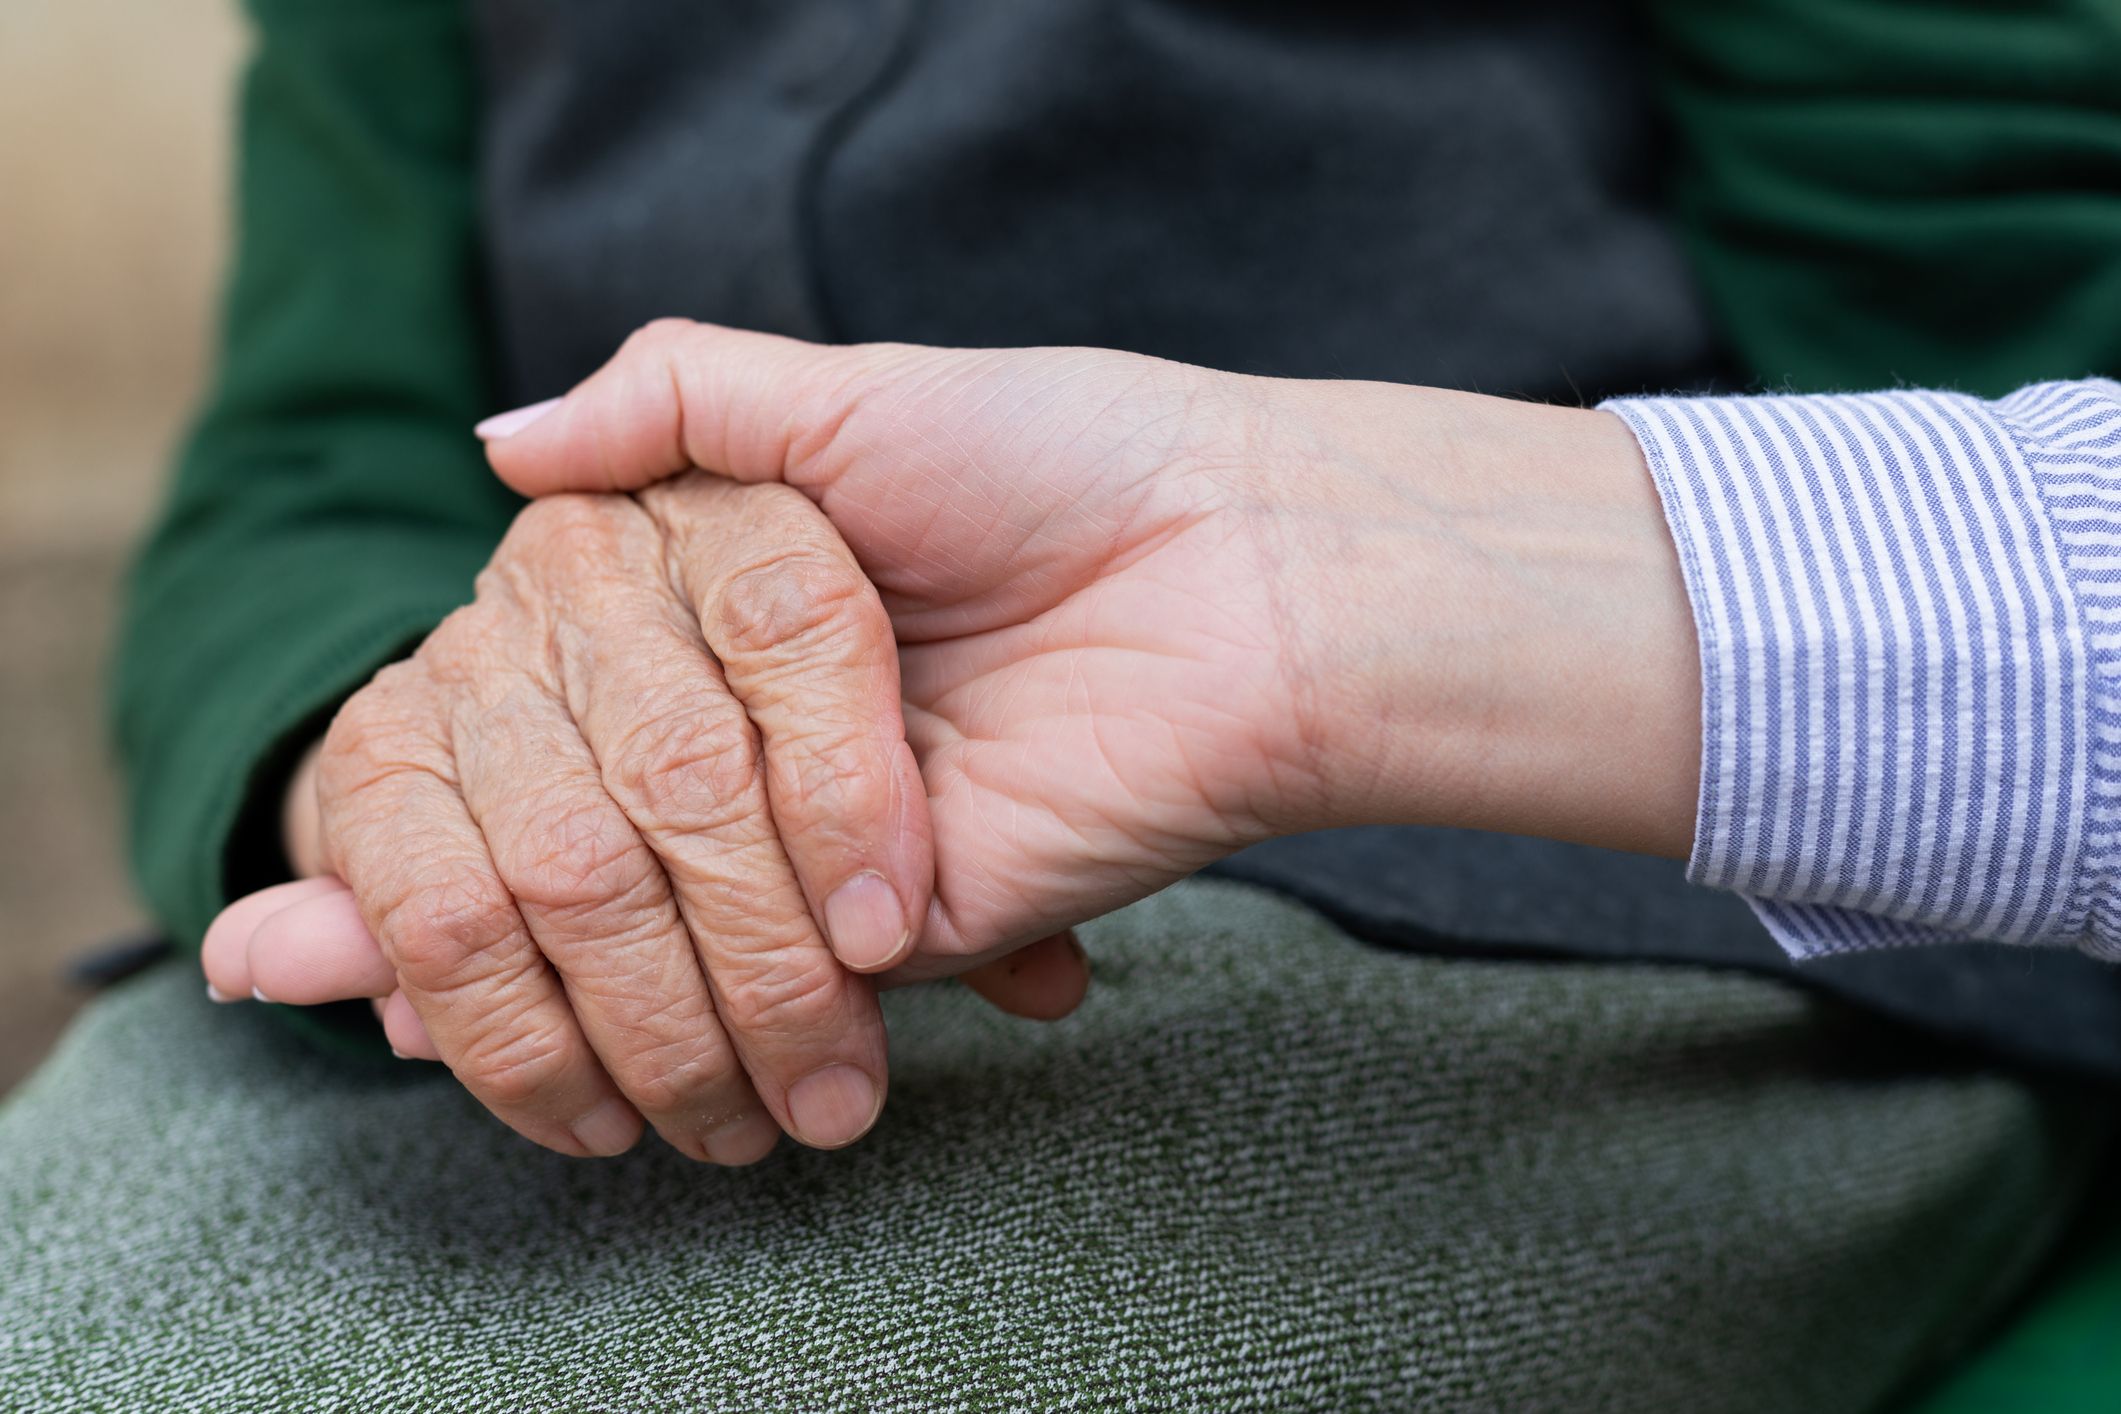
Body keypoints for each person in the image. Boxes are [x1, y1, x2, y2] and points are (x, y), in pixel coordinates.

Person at [3, 0, 2118, 1408]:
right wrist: (414, 740)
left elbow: (1999, 291)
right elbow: (312, 457)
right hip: (547, 859)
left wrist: (1431, 585)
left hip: (1576, 880)